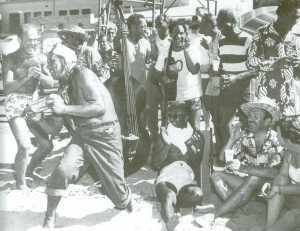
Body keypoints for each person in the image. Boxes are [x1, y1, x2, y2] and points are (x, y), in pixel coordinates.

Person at [36, 44, 136, 229]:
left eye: (52, 61)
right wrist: (38, 120)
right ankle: (49, 216)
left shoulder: (83, 74)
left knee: (117, 193)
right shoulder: (63, 87)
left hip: (105, 135)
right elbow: (55, 129)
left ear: (65, 60)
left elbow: (99, 107)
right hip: (81, 136)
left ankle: (125, 200)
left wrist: (64, 108)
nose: (49, 66)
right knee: (62, 171)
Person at [195, 98, 283, 227]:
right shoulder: (246, 137)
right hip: (246, 187)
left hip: (267, 189)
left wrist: (244, 168)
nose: (250, 119)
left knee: (254, 178)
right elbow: (222, 158)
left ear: (267, 121)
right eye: (250, 115)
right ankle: (238, 207)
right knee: (216, 176)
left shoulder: (276, 140)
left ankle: (215, 214)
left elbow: (275, 172)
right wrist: (232, 139)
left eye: (256, 116)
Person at [2, 23, 54, 190]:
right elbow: (7, 88)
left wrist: (40, 76)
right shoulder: (10, 58)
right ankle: (21, 183)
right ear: (20, 39)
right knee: (24, 145)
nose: (33, 44)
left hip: (32, 103)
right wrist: (26, 78)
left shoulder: (41, 58)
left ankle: (29, 171)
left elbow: (50, 83)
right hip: (14, 102)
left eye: (36, 40)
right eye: (30, 40)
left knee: (46, 146)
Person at [151, 101, 204, 230]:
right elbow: (155, 165)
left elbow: (197, 163)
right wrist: (165, 143)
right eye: (169, 116)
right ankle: (171, 224)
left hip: (186, 176)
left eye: (175, 116)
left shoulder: (196, 135)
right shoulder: (165, 134)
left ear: (186, 117)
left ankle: (171, 201)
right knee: (169, 195)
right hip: (167, 175)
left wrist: (189, 145)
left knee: (197, 194)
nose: (171, 119)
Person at [215, 8, 258, 163]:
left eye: (224, 25)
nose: (221, 29)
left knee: (249, 124)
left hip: (244, 88)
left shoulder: (248, 40)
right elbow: (222, 64)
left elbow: (256, 70)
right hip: (227, 88)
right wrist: (220, 75)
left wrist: (236, 78)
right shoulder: (221, 41)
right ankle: (230, 159)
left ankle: (249, 158)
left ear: (234, 22)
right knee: (223, 125)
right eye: (219, 25)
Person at [113, 13, 152, 176]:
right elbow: (116, 46)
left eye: (145, 25)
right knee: (123, 123)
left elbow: (151, 58)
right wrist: (118, 35)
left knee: (142, 124)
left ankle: (140, 154)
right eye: (142, 25)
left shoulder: (146, 42)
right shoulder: (123, 40)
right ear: (133, 27)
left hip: (142, 90)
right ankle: (120, 156)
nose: (145, 28)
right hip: (125, 89)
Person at [247, 0, 300, 116]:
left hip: (293, 102)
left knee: (291, 133)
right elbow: (251, 62)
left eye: (298, 18)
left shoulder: (297, 36)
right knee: (269, 132)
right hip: (268, 99)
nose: (296, 21)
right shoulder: (261, 33)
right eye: (293, 17)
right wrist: (274, 64)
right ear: (281, 14)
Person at [159, 21, 202, 135]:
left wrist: (185, 49)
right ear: (170, 35)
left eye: (181, 33)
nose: (178, 36)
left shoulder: (193, 49)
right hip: (174, 98)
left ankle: (197, 153)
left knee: (195, 129)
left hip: (192, 96)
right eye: (175, 33)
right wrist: (163, 77)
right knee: (172, 131)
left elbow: (194, 70)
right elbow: (156, 74)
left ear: (186, 34)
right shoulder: (165, 51)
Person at [264, 117, 300, 231]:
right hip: (296, 198)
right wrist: (272, 185)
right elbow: (282, 176)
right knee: (280, 179)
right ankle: (269, 226)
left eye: (278, 134)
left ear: (288, 137)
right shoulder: (289, 153)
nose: (276, 137)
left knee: (293, 215)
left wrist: (278, 189)